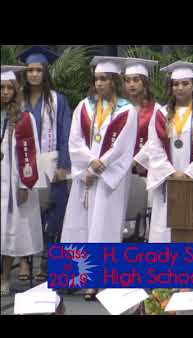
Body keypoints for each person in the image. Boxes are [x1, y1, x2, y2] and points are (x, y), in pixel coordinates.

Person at [60, 56, 137, 300]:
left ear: (114, 81)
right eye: (97, 79)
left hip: (106, 181)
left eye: (104, 79)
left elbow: (123, 147)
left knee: (102, 227)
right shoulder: (84, 105)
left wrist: (95, 168)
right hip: (85, 178)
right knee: (77, 224)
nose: (99, 83)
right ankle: (73, 276)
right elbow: (74, 140)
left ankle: (95, 280)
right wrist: (87, 167)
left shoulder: (128, 110)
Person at [136, 60, 193, 243]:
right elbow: (154, 148)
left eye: (185, 83)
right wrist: (171, 174)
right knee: (163, 229)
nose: (180, 88)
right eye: (176, 84)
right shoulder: (161, 114)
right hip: (167, 184)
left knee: (192, 229)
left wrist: (187, 174)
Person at [17, 46, 73, 283]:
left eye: (38, 70)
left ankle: (48, 261)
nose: (33, 74)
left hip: (51, 164)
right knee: (26, 215)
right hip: (25, 165)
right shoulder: (16, 101)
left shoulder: (57, 100)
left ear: (45, 72)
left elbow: (66, 133)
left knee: (54, 214)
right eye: (29, 70)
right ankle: (25, 261)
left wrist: (64, 166)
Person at [1, 66, 45, 295]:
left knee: (9, 232)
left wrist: (24, 184)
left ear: (16, 90)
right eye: (1, 87)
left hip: (11, 183)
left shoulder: (24, 119)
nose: (5, 92)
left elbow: (32, 153)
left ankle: (4, 278)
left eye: (10, 88)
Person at [123, 57, 161, 175]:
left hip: (147, 170)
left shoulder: (157, 109)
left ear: (144, 83)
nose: (131, 84)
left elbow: (156, 141)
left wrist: (136, 160)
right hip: (121, 170)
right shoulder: (120, 109)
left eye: (136, 80)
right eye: (128, 80)